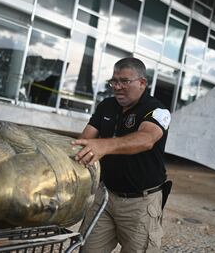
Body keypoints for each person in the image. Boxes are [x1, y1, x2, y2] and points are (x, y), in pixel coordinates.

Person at [72, 57, 171, 253]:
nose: (117, 87)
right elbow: (85, 140)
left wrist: (104, 146)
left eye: (124, 81)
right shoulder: (106, 106)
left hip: (141, 204)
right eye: (114, 81)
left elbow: (146, 139)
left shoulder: (157, 110)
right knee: (87, 248)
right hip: (105, 196)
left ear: (142, 83)